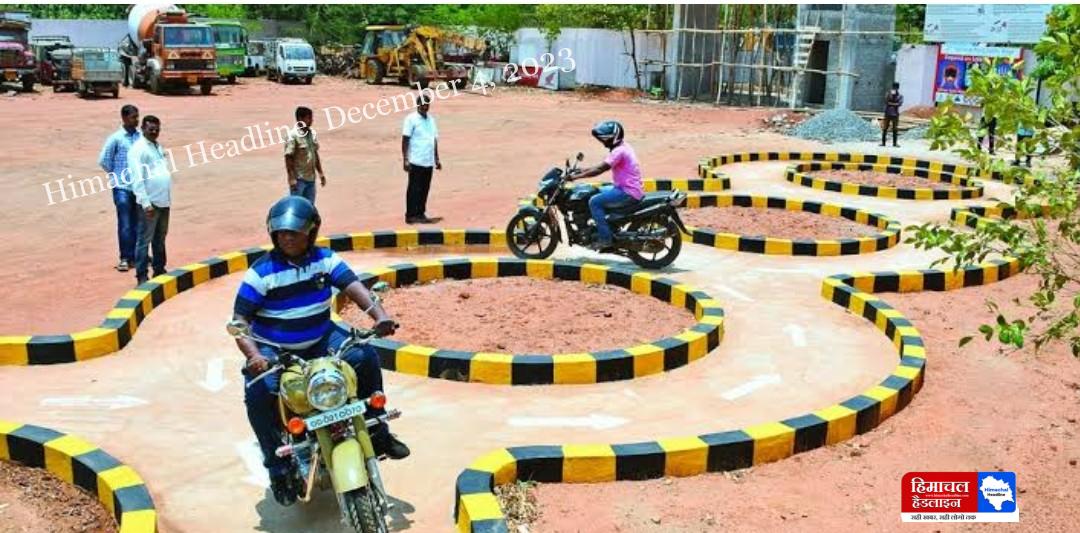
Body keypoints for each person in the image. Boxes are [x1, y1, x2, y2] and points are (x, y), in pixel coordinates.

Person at [232, 196, 410, 506]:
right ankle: (278, 469)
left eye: (295, 232)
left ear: (311, 232)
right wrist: (254, 356)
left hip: (321, 337)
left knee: (365, 356)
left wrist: (379, 316)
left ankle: (378, 430)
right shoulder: (261, 273)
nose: (287, 238)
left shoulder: (325, 260)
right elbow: (239, 321)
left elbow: (353, 287)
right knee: (259, 392)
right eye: (281, 232)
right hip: (273, 347)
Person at [567, 120, 644, 250]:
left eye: (605, 139)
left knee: (594, 202)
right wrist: (582, 170)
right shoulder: (624, 146)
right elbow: (601, 165)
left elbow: (599, 169)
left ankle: (605, 239)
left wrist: (575, 177)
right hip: (625, 188)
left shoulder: (618, 152)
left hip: (627, 192)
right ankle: (606, 225)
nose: (603, 141)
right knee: (596, 191)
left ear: (613, 138)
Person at [127, 115, 172, 286]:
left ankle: (159, 269)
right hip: (150, 203)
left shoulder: (157, 146)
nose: (154, 132)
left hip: (163, 201)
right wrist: (145, 204)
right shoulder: (138, 149)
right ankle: (141, 276)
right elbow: (137, 179)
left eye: (157, 129)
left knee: (160, 238)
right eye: (151, 129)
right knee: (144, 240)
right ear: (143, 129)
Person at [98, 104, 141, 272]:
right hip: (121, 188)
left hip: (138, 187)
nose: (136, 120)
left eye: (137, 117)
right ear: (124, 118)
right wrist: (116, 175)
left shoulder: (141, 138)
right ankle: (125, 258)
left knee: (137, 223)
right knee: (125, 223)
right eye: (133, 117)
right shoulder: (116, 138)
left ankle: (136, 256)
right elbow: (104, 160)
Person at [401, 93, 441, 224]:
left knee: (424, 188)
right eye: (422, 104)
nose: (425, 107)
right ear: (418, 105)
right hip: (416, 160)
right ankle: (410, 215)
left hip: (428, 160)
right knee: (414, 188)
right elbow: (405, 139)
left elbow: (434, 140)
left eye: (427, 104)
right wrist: (405, 159)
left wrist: (436, 159)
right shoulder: (411, 119)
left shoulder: (431, 120)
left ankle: (420, 213)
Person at [284, 106, 325, 204]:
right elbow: (288, 157)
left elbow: (315, 154)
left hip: (311, 179)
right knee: (296, 205)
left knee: (309, 207)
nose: (311, 121)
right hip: (299, 180)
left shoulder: (311, 134)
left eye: (311, 118)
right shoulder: (293, 135)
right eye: (309, 118)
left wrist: (320, 173)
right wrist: (291, 178)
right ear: (300, 119)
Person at [881, 82, 903, 148]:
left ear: (898, 88)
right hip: (888, 113)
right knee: (885, 128)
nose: (894, 89)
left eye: (896, 87)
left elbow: (899, 104)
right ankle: (883, 143)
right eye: (894, 87)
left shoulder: (900, 96)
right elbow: (886, 101)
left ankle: (894, 143)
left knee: (895, 129)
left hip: (895, 114)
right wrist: (891, 97)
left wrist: (891, 103)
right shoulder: (888, 94)